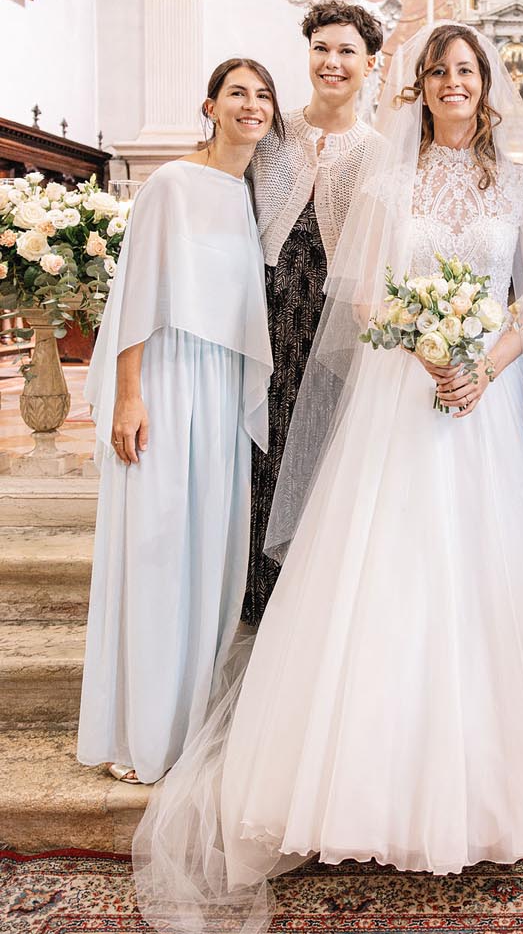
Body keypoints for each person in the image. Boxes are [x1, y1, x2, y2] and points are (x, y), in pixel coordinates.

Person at [133, 25, 523, 929]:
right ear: (420, 85)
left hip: (486, 397)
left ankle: (478, 787)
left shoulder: (521, 182)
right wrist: (427, 349)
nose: (453, 83)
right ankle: (352, 784)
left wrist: (483, 368)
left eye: (467, 71)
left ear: (488, 84)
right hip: (400, 389)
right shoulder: (389, 175)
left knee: (479, 573)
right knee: (383, 567)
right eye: (439, 72)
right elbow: (366, 291)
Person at [77, 60, 277, 785]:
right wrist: (129, 395)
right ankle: (141, 732)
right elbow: (137, 294)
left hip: (221, 387)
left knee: (211, 553)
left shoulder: (251, 193)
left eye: (262, 96)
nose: (251, 105)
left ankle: (188, 724)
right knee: (158, 547)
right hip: (165, 377)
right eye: (237, 94)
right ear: (210, 106)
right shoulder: (171, 184)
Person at [243, 0, 382, 626]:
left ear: (370, 64)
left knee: (319, 459)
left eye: (347, 51)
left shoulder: (379, 152)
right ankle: (252, 599)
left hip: (333, 331)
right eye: (322, 48)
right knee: (259, 452)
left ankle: (304, 612)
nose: (332, 62)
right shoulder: (269, 135)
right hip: (265, 316)